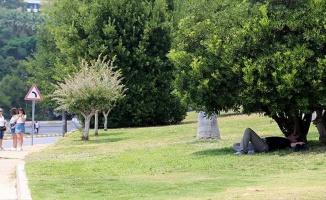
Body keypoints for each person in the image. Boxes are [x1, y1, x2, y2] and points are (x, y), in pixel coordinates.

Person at [233, 128, 306, 155]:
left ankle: (242, 151)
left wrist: (299, 143)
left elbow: (292, 145)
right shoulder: (285, 140)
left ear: (295, 140)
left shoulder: (287, 142)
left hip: (264, 145)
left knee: (248, 130)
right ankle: (251, 151)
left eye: (293, 136)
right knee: (235, 145)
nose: (291, 135)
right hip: (260, 144)